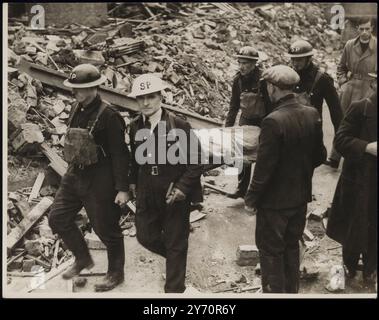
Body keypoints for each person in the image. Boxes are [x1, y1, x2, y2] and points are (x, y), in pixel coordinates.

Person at [244, 65, 327, 293]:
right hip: (299, 198)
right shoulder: (312, 113)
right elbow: (320, 156)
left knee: (271, 253)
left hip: (274, 204)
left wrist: (251, 199)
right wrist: (298, 169)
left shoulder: (272, 121)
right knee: (292, 248)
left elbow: (264, 170)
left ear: (273, 88)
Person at [48, 64, 130, 292]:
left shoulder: (110, 116)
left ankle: (116, 272)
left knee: (106, 229)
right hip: (74, 174)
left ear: (95, 87)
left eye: (82, 89)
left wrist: (122, 188)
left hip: (100, 180)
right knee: (57, 218)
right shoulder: (76, 107)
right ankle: (83, 258)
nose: (77, 92)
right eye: (74, 88)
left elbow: (120, 155)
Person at [128, 74, 203, 293]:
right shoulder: (134, 126)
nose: (145, 103)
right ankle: (176, 259)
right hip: (147, 191)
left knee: (175, 241)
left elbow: (196, 161)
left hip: (174, 192)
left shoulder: (178, 125)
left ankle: (174, 289)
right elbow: (134, 161)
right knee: (145, 236)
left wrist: (182, 188)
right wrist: (133, 183)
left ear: (160, 96)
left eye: (150, 97)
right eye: (140, 98)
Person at [326, 73, 377, 285]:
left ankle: (371, 269)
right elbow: (340, 140)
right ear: (374, 84)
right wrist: (366, 147)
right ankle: (349, 265)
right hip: (358, 180)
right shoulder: (360, 108)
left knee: (375, 226)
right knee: (353, 225)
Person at [225, 46, 271, 199]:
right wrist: (228, 130)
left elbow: (271, 104)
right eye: (240, 63)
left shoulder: (264, 80)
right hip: (245, 120)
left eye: (246, 63)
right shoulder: (238, 80)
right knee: (240, 155)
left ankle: (258, 191)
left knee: (262, 157)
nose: (242, 66)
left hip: (262, 121)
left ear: (254, 64)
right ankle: (241, 189)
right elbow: (233, 106)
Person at [289, 39, 343, 169]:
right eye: (293, 60)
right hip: (290, 130)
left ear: (309, 59)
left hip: (311, 133)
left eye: (299, 60)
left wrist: (341, 137)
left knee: (307, 170)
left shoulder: (322, 79)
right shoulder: (288, 75)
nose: (295, 64)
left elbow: (335, 111)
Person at [337, 18, 377, 113]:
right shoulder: (349, 45)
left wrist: (375, 87)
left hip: (370, 89)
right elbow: (341, 67)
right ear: (357, 28)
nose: (364, 32)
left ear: (372, 28)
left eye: (367, 29)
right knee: (346, 121)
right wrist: (343, 83)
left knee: (367, 122)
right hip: (350, 89)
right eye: (361, 29)